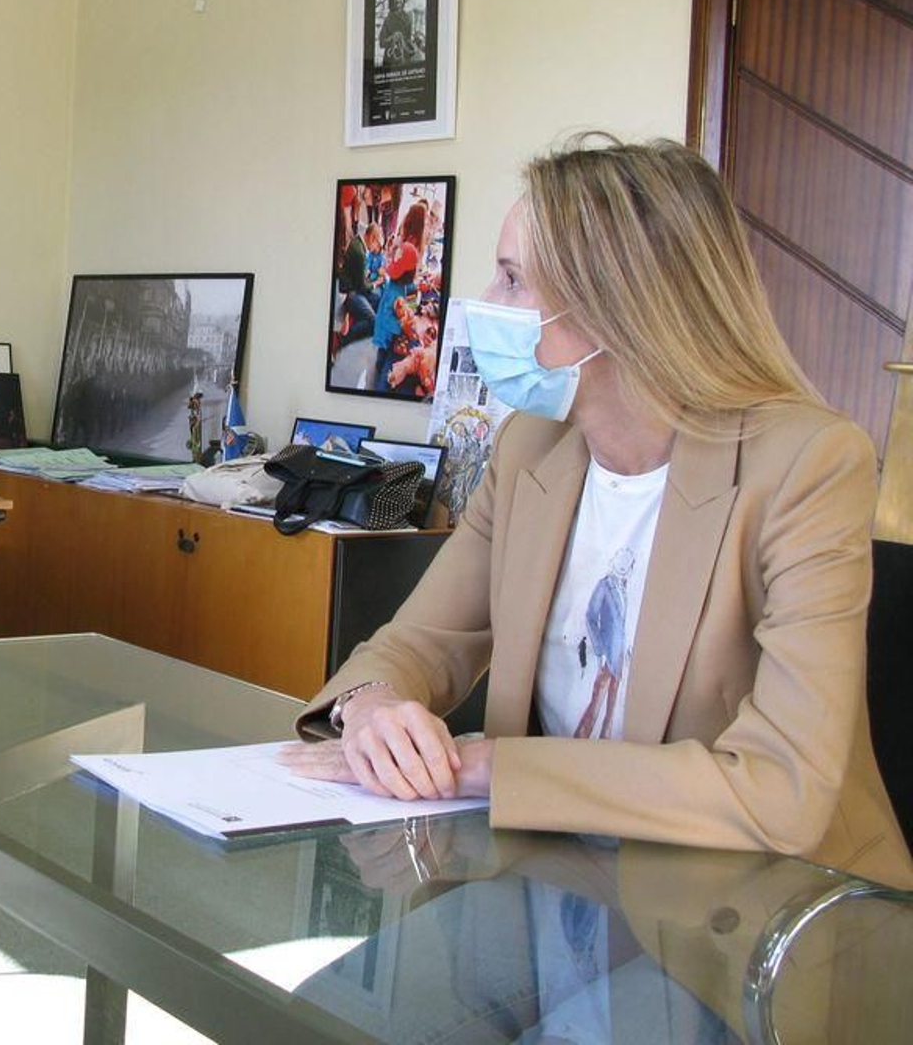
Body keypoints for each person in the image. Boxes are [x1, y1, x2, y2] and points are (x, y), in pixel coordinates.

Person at [283, 135, 913, 888]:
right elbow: (419, 642)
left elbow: (782, 789)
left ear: (618, 305)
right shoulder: (529, 448)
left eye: (512, 278)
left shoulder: (809, 464)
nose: (485, 302)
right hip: (560, 884)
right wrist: (370, 705)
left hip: (775, 909)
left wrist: (490, 766)